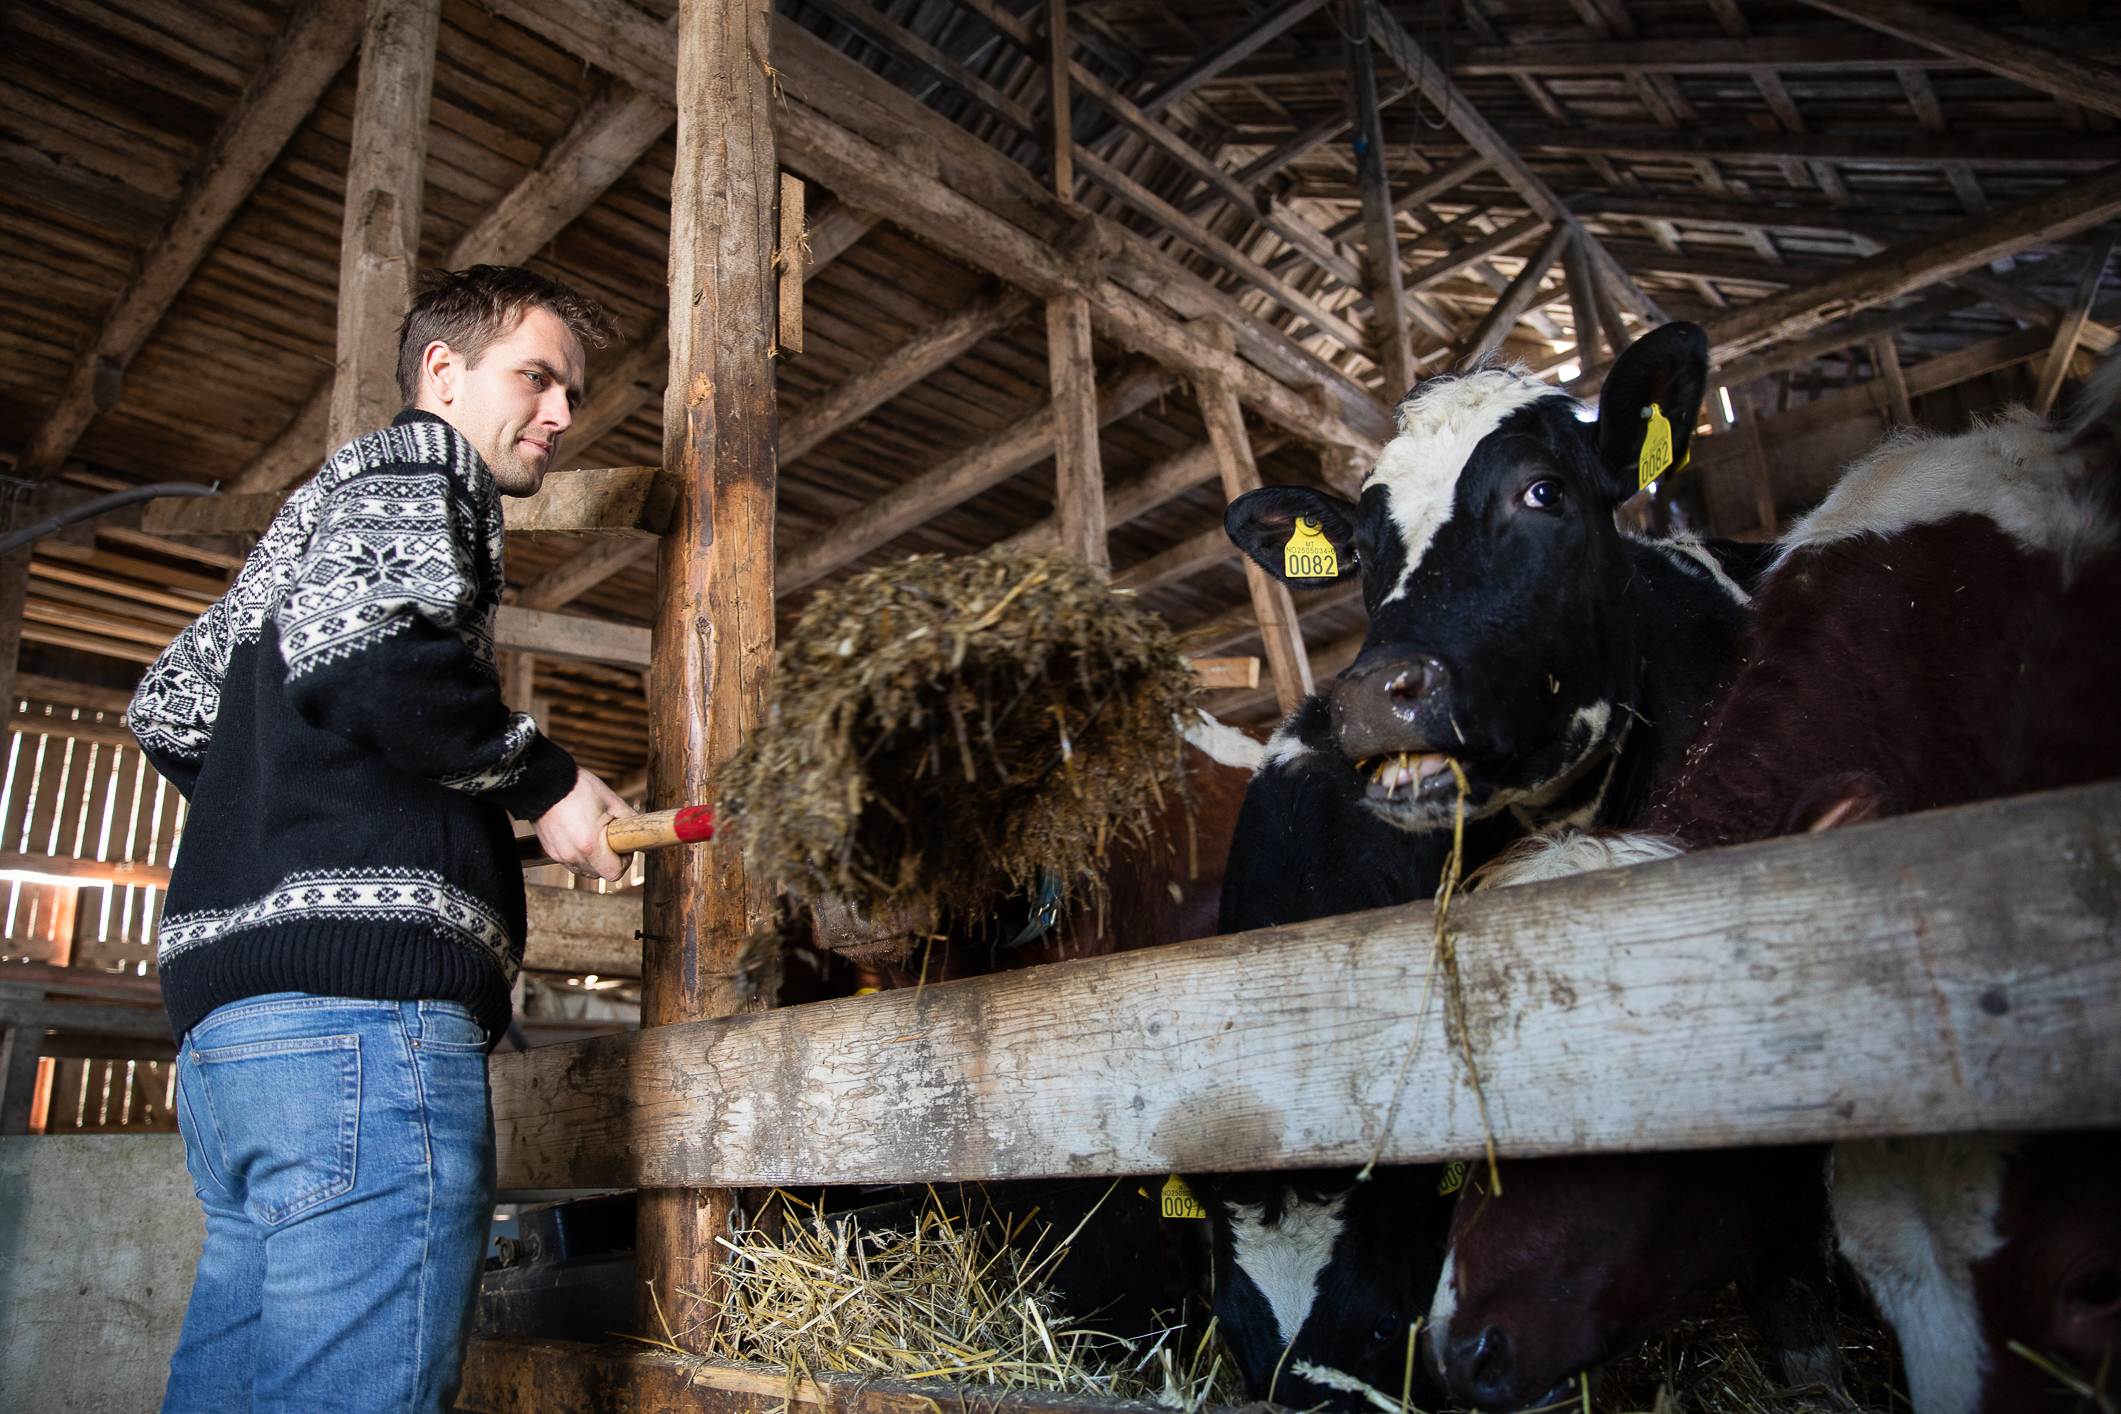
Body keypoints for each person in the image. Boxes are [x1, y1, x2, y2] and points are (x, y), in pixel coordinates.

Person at [131, 265, 635, 1413]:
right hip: (360, 1034)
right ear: (443, 374)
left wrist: (303, 803)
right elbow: (371, 658)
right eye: (538, 378)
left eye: (574, 393)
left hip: (237, 1045)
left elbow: (167, 705)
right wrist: (545, 780)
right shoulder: (420, 463)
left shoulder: (305, 519)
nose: (562, 415)